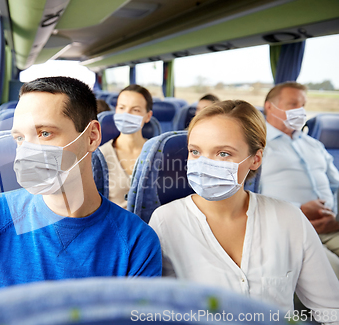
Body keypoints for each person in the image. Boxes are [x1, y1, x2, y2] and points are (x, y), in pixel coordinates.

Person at [0, 77, 162, 322]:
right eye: (20, 138)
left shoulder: (137, 243)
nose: (27, 151)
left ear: (91, 137)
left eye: (45, 133)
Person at [149, 100, 339, 320]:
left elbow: (332, 310)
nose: (204, 164)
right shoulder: (166, 221)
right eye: (195, 151)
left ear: (255, 160)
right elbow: (160, 312)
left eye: (223, 154)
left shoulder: (289, 219)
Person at [259, 82, 339, 277]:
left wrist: (336, 219)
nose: (300, 111)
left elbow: (336, 185)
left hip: (332, 227)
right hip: (289, 231)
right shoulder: (257, 147)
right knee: (333, 273)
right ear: (270, 106)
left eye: (302, 105)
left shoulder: (314, 145)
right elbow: (248, 197)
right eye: (293, 104)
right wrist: (299, 210)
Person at [99, 85, 153, 208]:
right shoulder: (100, 155)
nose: (126, 114)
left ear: (148, 116)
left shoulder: (157, 153)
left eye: (135, 110)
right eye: (122, 108)